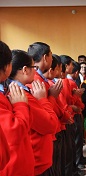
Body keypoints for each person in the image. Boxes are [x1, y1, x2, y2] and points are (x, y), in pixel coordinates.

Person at [9, 49, 59, 175]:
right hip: (37, 162)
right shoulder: (23, 96)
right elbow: (51, 124)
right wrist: (44, 99)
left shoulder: (17, 92)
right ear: (25, 70)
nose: (36, 72)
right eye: (33, 67)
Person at [0, 42, 34, 175]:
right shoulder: (17, 94)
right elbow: (15, 132)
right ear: (7, 66)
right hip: (13, 168)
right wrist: (20, 105)